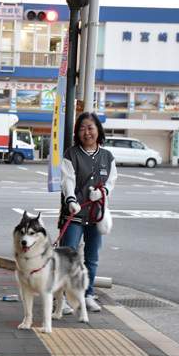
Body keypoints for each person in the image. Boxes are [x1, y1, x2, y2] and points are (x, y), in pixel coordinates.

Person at [58, 112, 117, 313]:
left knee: (92, 259)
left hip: (96, 215)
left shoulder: (107, 157)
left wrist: (102, 192)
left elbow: (111, 181)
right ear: (77, 132)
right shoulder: (71, 154)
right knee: (69, 257)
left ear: (98, 130)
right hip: (74, 215)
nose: (87, 132)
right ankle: (63, 299)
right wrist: (71, 199)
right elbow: (67, 180)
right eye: (82, 128)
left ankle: (88, 295)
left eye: (90, 128)